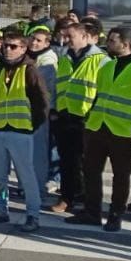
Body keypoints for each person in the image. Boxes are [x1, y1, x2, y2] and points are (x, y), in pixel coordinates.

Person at [78, 27, 131, 231]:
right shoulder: (107, 66)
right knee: (91, 171)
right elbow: (98, 95)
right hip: (97, 126)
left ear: (125, 44)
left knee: (121, 176)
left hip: (122, 131)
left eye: (112, 41)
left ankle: (115, 214)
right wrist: (89, 118)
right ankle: (92, 212)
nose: (108, 44)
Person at [0, 29, 50, 230]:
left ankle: (33, 214)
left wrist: (32, 125)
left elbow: (42, 101)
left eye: (13, 46)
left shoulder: (29, 70)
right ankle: (1, 209)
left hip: (20, 131)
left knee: (26, 175)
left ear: (23, 48)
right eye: (5, 45)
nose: (8, 49)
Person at [50, 17, 108, 215]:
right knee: (67, 162)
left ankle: (87, 200)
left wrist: (94, 115)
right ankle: (67, 198)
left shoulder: (101, 60)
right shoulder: (65, 57)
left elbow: (103, 91)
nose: (66, 40)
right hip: (65, 117)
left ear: (85, 37)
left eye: (71, 37)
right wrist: (55, 110)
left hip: (87, 119)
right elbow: (58, 86)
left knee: (87, 164)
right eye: (65, 36)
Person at [27, 25, 58, 199]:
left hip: (39, 110)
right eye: (32, 38)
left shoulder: (48, 60)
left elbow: (38, 84)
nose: (34, 42)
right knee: (28, 151)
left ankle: (38, 187)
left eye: (38, 40)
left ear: (47, 43)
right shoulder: (32, 56)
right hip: (28, 109)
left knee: (38, 152)